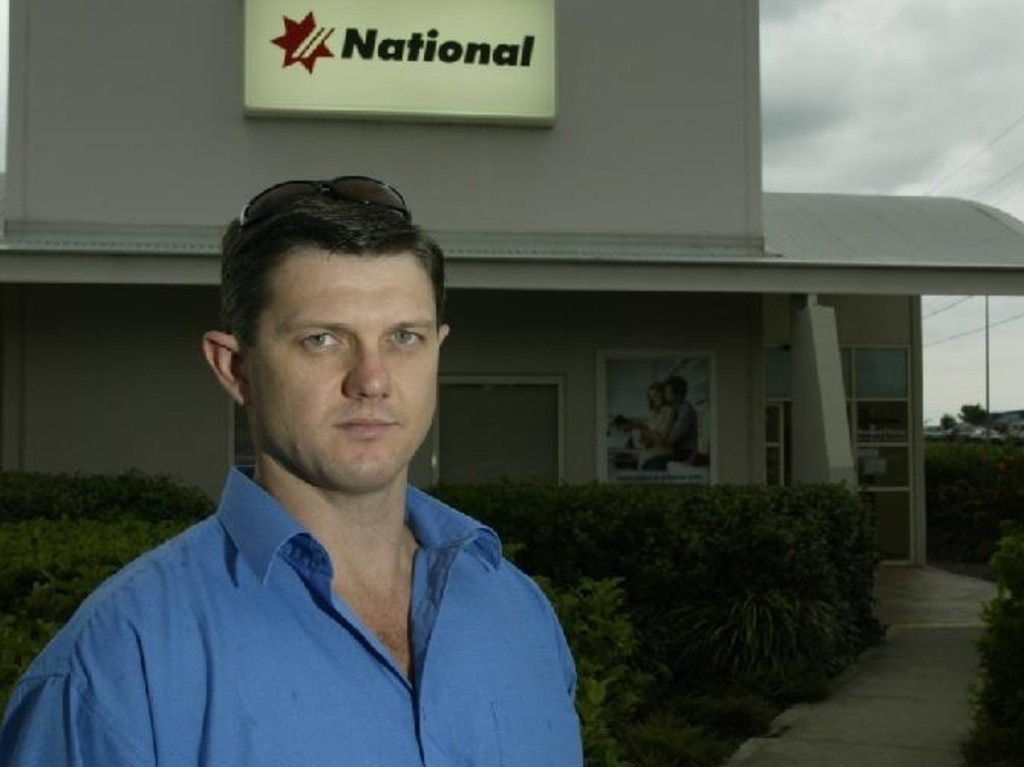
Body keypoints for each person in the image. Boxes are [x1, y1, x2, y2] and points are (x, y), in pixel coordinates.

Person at [0, 175, 583, 766]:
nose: (373, 380)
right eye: (323, 339)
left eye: (405, 337)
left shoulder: (517, 611)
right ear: (236, 369)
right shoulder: (120, 663)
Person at [664, 375, 698, 462]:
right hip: (677, 451)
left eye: (667, 392)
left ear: (678, 394)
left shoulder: (685, 409)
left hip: (684, 454)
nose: (665, 395)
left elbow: (674, 435)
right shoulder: (674, 408)